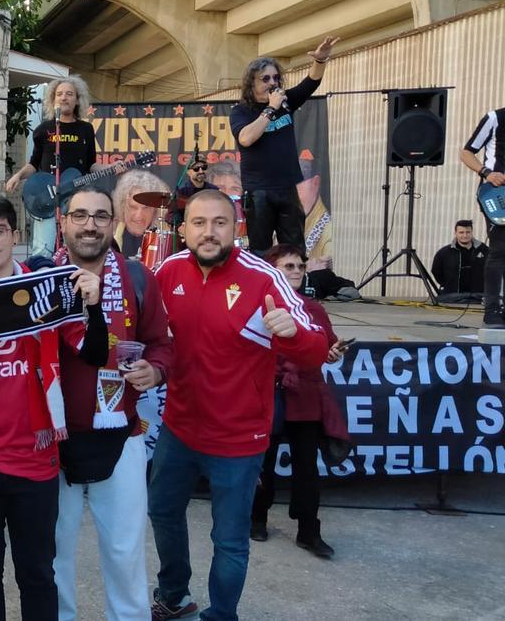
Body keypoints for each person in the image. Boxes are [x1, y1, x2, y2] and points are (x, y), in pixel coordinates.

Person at [148, 190, 329, 621]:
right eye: (198, 223)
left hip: (239, 438)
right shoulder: (167, 271)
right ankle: (173, 595)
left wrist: (292, 335)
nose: (208, 232)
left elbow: (317, 351)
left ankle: (221, 614)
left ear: (237, 227)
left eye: (219, 223)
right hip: (178, 429)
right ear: (183, 228)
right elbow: (153, 336)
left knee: (229, 538)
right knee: (161, 512)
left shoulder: (265, 278)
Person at [0, 193, 104, 621]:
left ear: (15, 234)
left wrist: (95, 307)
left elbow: (95, 354)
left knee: (37, 575)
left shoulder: (45, 293)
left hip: (37, 464)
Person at [53, 185, 172, 621]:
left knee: (124, 553)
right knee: (53, 553)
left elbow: (162, 345)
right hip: (52, 442)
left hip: (121, 435)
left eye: (100, 216)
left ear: (113, 222)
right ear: (63, 221)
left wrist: (155, 371)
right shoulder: (40, 278)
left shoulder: (140, 278)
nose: (90, 225)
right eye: (80, 215)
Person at [249, 244, 349, 559]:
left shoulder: (314, 309)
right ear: (272, 271)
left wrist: (331, 352)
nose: (295, 272)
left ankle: (309, 530)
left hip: (304, 397)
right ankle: (257, 520)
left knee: (307, 468)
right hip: (268, 395)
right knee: (262, 463)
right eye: (288, 266)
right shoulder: (256, 307)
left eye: (299, 267)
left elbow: (328, 348)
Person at [229, 36, 339, 254]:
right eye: (266, 79)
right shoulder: (241, 111)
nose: (273, 83)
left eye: (276, 78)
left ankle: (293, 288)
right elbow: (246, 138)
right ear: (252, 83)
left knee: (294, 248)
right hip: (259, 190)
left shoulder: (285, 101)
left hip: (287, 187)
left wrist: (320, 61)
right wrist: (270, 109)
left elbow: (310, 83)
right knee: (261, 251)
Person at [3, 75, 107, 194]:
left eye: (69, 94)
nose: (63, 98)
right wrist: (18, 176)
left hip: (77, 195)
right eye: (59, 94)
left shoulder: (86, 129)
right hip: (49, 196)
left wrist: (109, 168)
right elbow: (34, 164)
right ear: (53, 100)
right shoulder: (43, 129)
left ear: (78, 100)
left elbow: (91, 165)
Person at [460, 107, 505, 328]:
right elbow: (467, 152)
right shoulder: (496, 118)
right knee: (499, 248)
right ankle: (492, 308)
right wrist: (487, 173)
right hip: (497, 194)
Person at [112, 170, 170, 259]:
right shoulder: (109, 238)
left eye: (146, 208)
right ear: (122, 207)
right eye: (133, 207)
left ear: (156, 210)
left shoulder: (167, 240)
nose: (139, 215)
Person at [431, 219, 488, 302]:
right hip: (453, 296)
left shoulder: (485, 250)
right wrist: (448, 284)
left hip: (478, 296)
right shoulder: (443, 253)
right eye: (461, 232)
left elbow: (493, 270)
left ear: (472, 232)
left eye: (468, 232)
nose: (465, 235)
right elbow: (436, 271)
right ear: (455, 233)